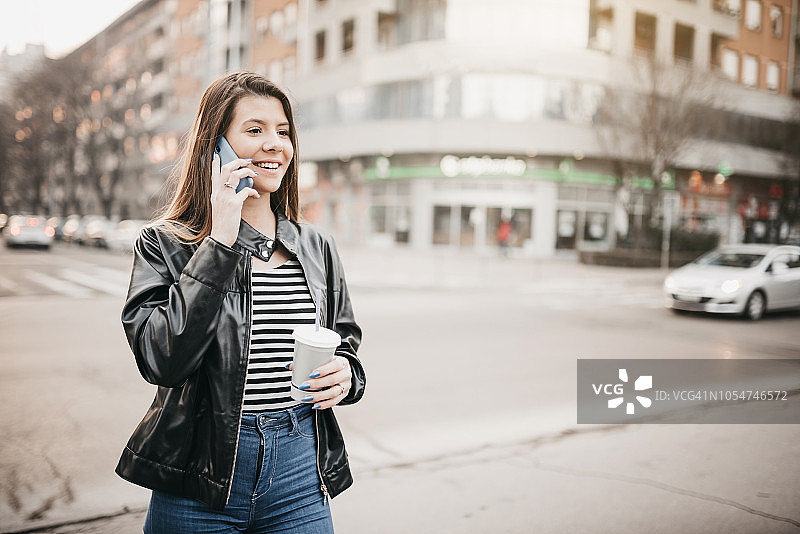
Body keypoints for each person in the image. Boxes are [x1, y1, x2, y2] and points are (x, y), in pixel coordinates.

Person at [115, 72, 365, 533]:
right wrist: (220, 240)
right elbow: (162, 361)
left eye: (283, 131)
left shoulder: (317, 246)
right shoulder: (165, 244)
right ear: (216, 146)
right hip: (198, 476)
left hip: (299, 469)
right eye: (255, 130)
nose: (275, 144)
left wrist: (348, 374)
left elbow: (345, 343)